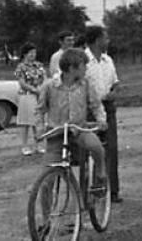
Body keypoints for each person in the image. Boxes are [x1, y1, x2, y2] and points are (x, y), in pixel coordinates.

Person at [35, 48, 107, 192]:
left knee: (96, 146)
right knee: (46, 182)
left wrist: (101, 119)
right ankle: (45, 214)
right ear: (71, 68)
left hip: (79, 130)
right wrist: (40, 128)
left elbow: (96, 104)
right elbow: (40, 110)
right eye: (83, 67)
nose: (86, 69)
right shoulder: (50, 86)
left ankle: (101, 172)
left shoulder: (86, 84)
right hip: (57, 134)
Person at [84, 25, 122, 203]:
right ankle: (92, 190)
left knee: (111, 149)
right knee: (91, 150)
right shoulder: (83, 60)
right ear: (97, 40)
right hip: (89, 110)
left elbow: (115, 82)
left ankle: (111, 190)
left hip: (108, 106)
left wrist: (114, 92)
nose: (108, 41)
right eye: (105, 38)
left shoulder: (108, 60)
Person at [14, 42, 46, 156]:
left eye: (34, 53)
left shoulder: (39, 65)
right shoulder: (21, 67)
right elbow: (22, 82)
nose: (33, 55)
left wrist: (42, 90)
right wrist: (34, 89)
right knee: (25, 121)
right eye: (30, 53)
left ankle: (38, 144)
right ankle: (24, 146)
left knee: (38, 120)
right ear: (24, 54)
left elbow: (44, 78)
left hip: (39, 95)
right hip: (27, 95)